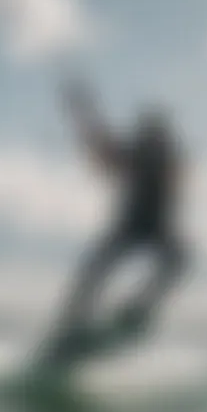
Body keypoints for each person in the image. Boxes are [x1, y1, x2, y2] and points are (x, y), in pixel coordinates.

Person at [55, 77, 187, 341]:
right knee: (94, 268)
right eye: (150, 136)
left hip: (157, 228)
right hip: (131, 225)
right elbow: (106, 154)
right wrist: (82, 110)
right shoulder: (139, 152)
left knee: (178, 259)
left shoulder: (166, 155)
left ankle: (136, 309)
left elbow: (111, 158)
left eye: (156, 137)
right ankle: (74, 319)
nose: (153, 142)